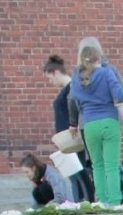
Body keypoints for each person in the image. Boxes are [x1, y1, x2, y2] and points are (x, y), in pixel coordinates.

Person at [67, 36, 123, 207]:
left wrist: (73, 123)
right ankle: (115, 202)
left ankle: (101, 201)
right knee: (111, 165)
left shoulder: (76, 78)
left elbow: (73, 100)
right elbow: (122, 95)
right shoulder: (107, 71)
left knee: (97, 166)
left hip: (88, 126)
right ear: (99, 56)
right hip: (109, 121)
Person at [44, 55, 94, 204]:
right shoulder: (66, 90)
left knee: (78, 171)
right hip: (66, 140)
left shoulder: (71, 88)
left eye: (50, 78)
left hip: (72, 137)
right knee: (73, 173)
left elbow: (77, 109)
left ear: (55, 72)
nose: (50, 82)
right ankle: (79, 201)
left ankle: (86, 201)